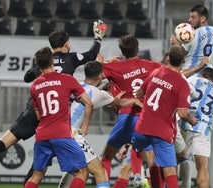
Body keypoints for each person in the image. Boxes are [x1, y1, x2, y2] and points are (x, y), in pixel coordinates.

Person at [0, 20, 107, 166]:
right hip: (54, 116)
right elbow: (92, 53)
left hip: (34, 112)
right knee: (42, 163)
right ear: (66, 44)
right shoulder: (72, 59)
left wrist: (36, 69)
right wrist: (97, 37)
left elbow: (26, 78)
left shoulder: (44, 62)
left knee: (3, 143)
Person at [58, 60, 143, 188]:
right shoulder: (97, 93)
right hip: (73, 134)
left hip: (58, 130)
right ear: (100, 76)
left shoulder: (75, 85)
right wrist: (133, 100)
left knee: (75, 170)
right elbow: (118, 103)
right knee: (100, 172)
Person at [24, 46, 93, 188]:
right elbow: (88, 103)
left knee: (37, 175)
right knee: (82, 171)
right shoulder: (67, 79)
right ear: (52, 62)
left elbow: (38, 115)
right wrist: (84, 126)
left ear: (37, 65)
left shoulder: (34, 86)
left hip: (42, 135)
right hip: (61, 134)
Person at [131, 45, 198, 188]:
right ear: (183, 61)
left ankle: (137, 174)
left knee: (136, 149)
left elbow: (139, 94)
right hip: (162, 132)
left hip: (142, 128)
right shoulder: (181, 83)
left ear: (168, 58)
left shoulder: (155, 72)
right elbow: (182, 113)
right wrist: (192, 120)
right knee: (170, 172)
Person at [100, 34, 162, 187]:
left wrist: (106, 63)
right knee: (151, 160)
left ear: (121, 51)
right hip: (146, 118)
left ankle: (109, 184)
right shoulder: (152, 65)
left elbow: (93, 73)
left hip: (125, 117)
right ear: (138, 49)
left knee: (106, 158)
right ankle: (141, 178)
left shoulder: (113, 67)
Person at [180, 67, 213, 188]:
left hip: (184, 123)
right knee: (202, 167)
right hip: (203, 129)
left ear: (201, 74)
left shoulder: (192, 80)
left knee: (174, 160)